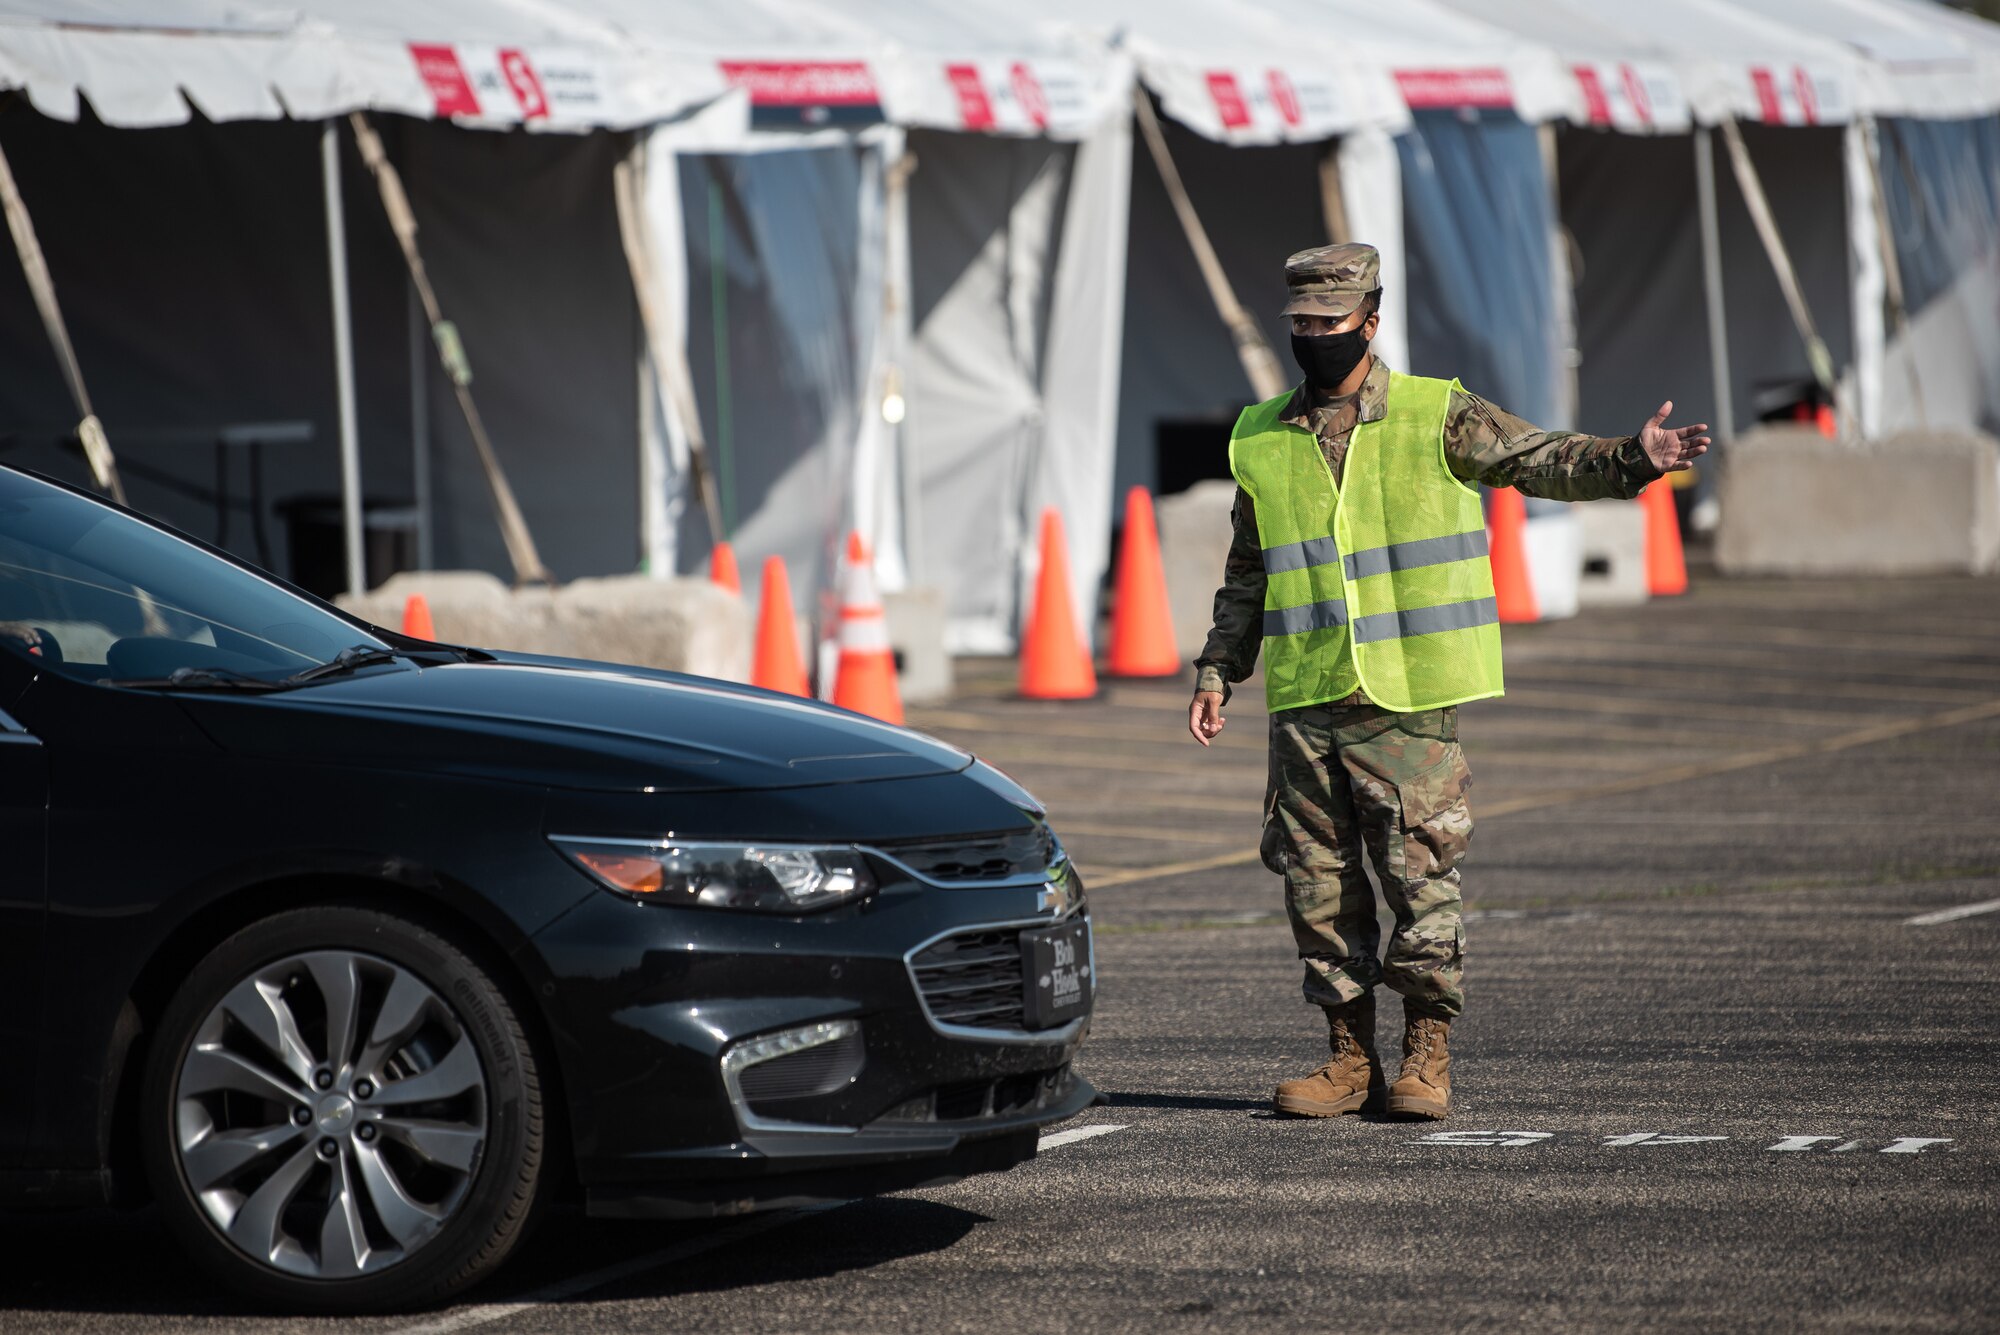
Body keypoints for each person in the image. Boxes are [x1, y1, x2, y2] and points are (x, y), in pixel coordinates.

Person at [1187, 243, 1707, 1121]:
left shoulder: (1438, 415)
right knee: (1316, 884)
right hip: (1308, 699)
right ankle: (1347, 1056)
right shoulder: (1260, 436)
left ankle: (1426, 1053)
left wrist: (1632, 459)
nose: (1314, 337)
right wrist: (1216, 667)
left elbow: (1538, 457)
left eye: (1330, 324)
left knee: (1419, 879)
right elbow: (1251, 570)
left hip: (1408, 694)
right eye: (1301, 325)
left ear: (1371, 322)